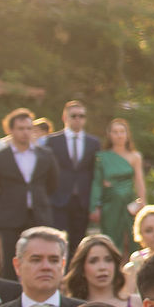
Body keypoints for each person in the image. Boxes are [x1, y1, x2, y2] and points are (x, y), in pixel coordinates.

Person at [0, 108, 60, 269]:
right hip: (9, 218)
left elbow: (53, 184)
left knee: (39, 262)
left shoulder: (46, 155)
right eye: (20, 128)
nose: (25, 132)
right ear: (10, 130)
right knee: (11, 266)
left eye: (28, 128)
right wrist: (4, 203)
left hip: (39, 216)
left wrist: (38, 199)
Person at [44, 101, 99, 256]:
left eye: (81, 116)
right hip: (58, 199)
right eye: (73, 116)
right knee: (58, 243)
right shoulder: (53, 141)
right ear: (64, 117)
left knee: (79, 244)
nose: (77, 119)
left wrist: (96, 203)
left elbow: (94, 173)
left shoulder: (93, 143)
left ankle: (75, 278)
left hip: (82, 200)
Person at [87, 118, 145, 252]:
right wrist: (94, 206)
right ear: (109, 135)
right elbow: (97, 183)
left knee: (132, 237)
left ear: (127, 134)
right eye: (115, 132)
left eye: (122, 132)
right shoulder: (102, 157)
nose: (119, 135)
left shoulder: (135, 156)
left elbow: (139, 181)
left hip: (129, 202)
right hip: (110, 203)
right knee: (111, 237)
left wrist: (143, 202)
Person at [67, 233, 140, 307]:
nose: (102, 267)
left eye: (108, 260)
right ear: (82, 268)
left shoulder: (135, 303)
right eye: (93, 261)